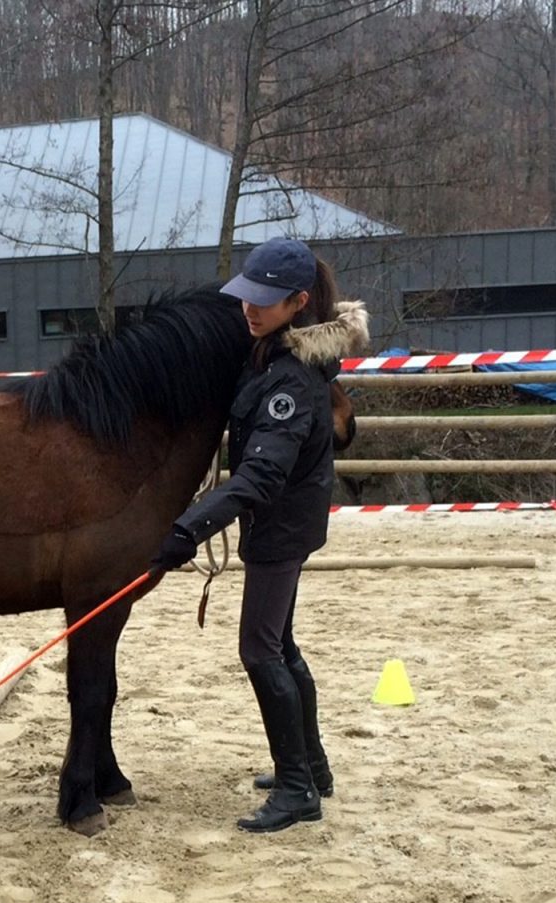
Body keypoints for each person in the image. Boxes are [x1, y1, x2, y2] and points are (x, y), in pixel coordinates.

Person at [149, 238, 369, 833]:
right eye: (247, 296)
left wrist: (185, 531)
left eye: (265, 301)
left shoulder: (291, 382)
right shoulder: (275, 353)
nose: (250, 309)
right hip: (289, 521)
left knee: (259, 650)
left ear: (298, 303)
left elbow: (258, 477)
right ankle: (311, 768)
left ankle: (298, 789)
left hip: (280, 528)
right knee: (282, 645)